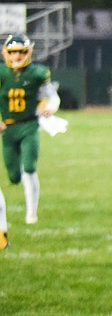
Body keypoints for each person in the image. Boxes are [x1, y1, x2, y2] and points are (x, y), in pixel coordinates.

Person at [0, 33, 60, 239]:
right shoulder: (2, 73)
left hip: (29, 125)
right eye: (13, 52)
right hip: (7, 129)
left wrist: (49, 107)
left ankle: (31, 213)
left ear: (28, 52)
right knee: (13, 176)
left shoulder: (37, 73)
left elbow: (51, 96)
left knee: (30, 166)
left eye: (21, 52)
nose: (16, 56)